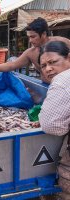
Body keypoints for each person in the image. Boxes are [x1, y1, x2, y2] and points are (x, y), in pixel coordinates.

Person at [0, 17, 70, 83]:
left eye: (33, 37)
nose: (30, 40)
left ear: (43, 34)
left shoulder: (63, 42)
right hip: (49, 86)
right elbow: (12, 65)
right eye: (29, 37)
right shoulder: (30, 53)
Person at [38, 41, 70, 200]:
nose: (48, 69)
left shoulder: (63, 80)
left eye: (53, 62)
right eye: (43, 66)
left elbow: (50, 125)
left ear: (68, 58)